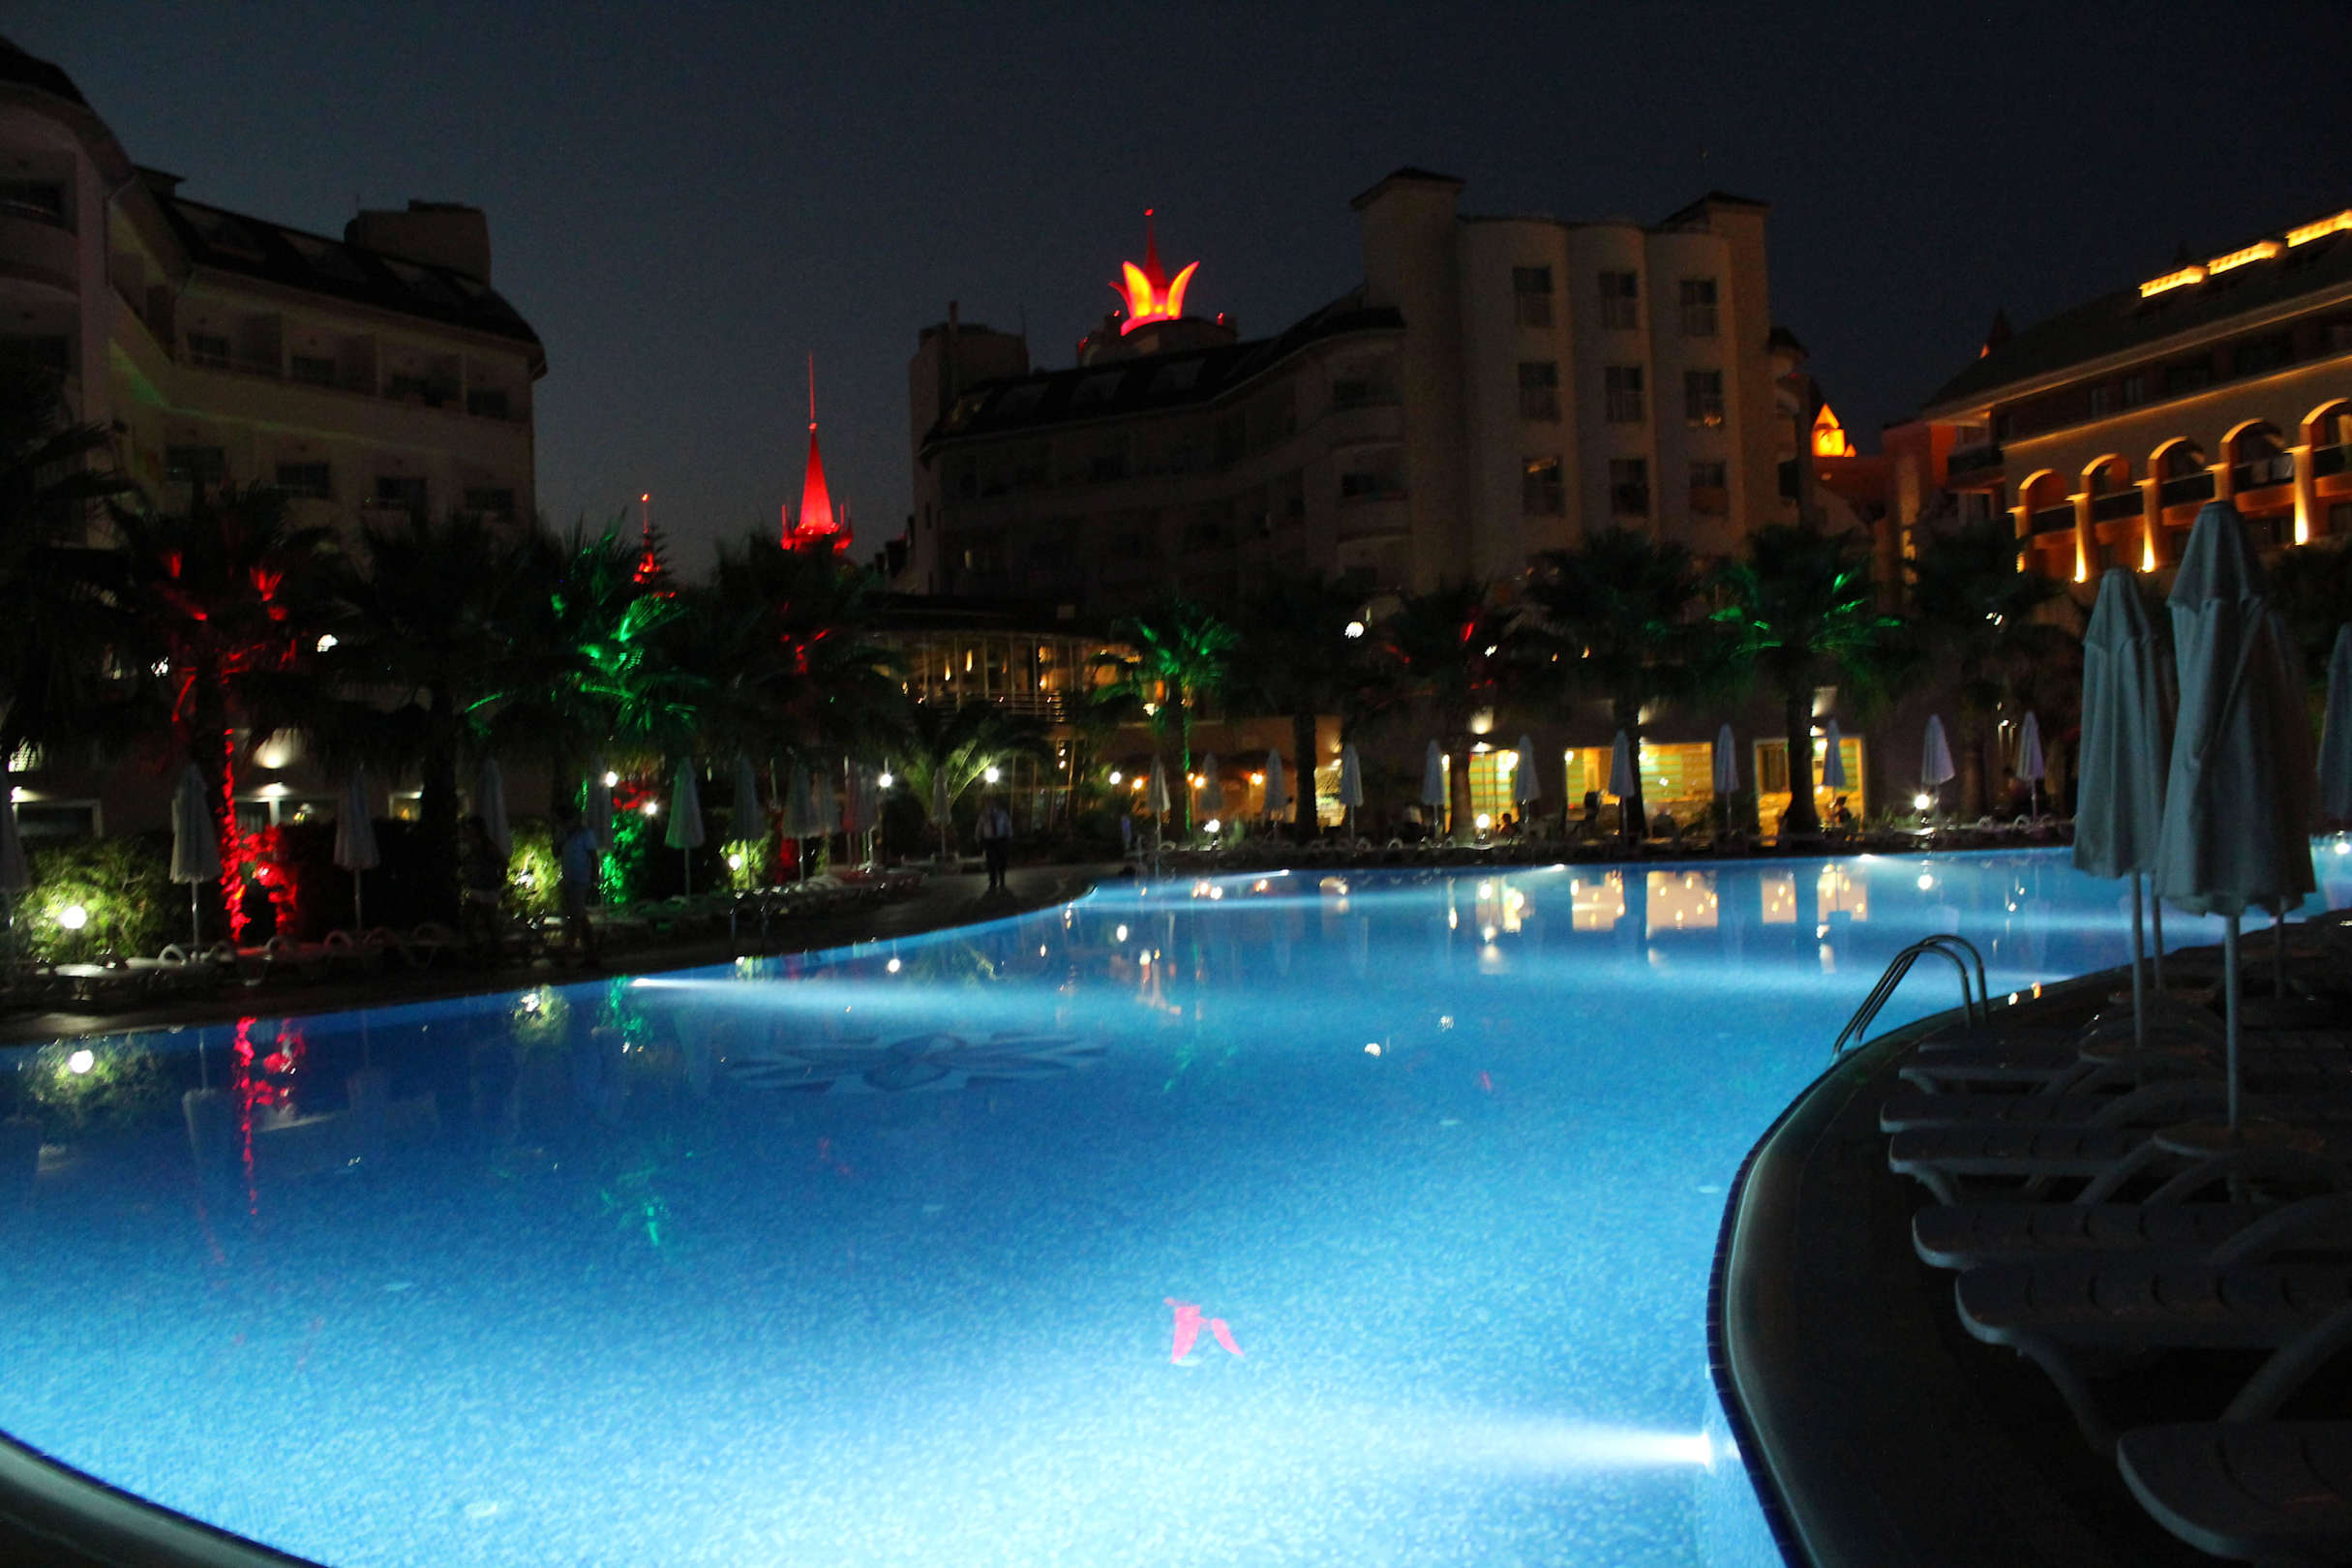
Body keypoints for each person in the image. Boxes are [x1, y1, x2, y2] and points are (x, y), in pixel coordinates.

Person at [555, 809, 602, 967]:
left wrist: (594, 879)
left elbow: (593, 857)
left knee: (576, 917)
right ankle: (591, 953)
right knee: (580, 917)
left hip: (580, 880)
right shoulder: (564, 835)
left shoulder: (585, 834)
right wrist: (559, 839)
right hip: (569, 880)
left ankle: (567, 952)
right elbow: (556, 853)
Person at [459, 815, 507, 950]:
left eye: (470, 828)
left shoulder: (487, 847)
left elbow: (503, 861)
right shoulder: (473, 846)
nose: (468, 831)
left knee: (489, 921)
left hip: (488, 888)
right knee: (469, 920)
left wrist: (501, 879)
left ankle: (494, 949)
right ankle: (479, 947)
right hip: (476, 887)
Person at [977, 794, 1014, 891]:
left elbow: (1007, 826)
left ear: (996, 803)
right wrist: (978, 838)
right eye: (988, 803)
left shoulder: (1002, 814)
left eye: (992, 802)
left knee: (1002, 860)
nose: (990, 804)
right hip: (989, 841)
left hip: (1001, 840)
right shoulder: (984, 815)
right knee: (990, 862)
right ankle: (992, 881)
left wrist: (1009, 837)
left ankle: (1002, 880)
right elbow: (979, 827)